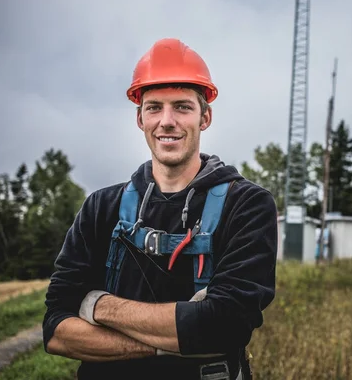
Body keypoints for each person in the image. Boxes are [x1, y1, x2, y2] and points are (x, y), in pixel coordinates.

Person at [42, 38, 278, 380]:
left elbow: (226, 325)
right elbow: (56, 331)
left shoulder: (247, 205)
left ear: (205, 117)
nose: (167, 121)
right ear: (140, 119)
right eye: (154, 107)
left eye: (182, 106)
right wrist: (176, 340)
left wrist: (98, 305)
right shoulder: (101, 207)